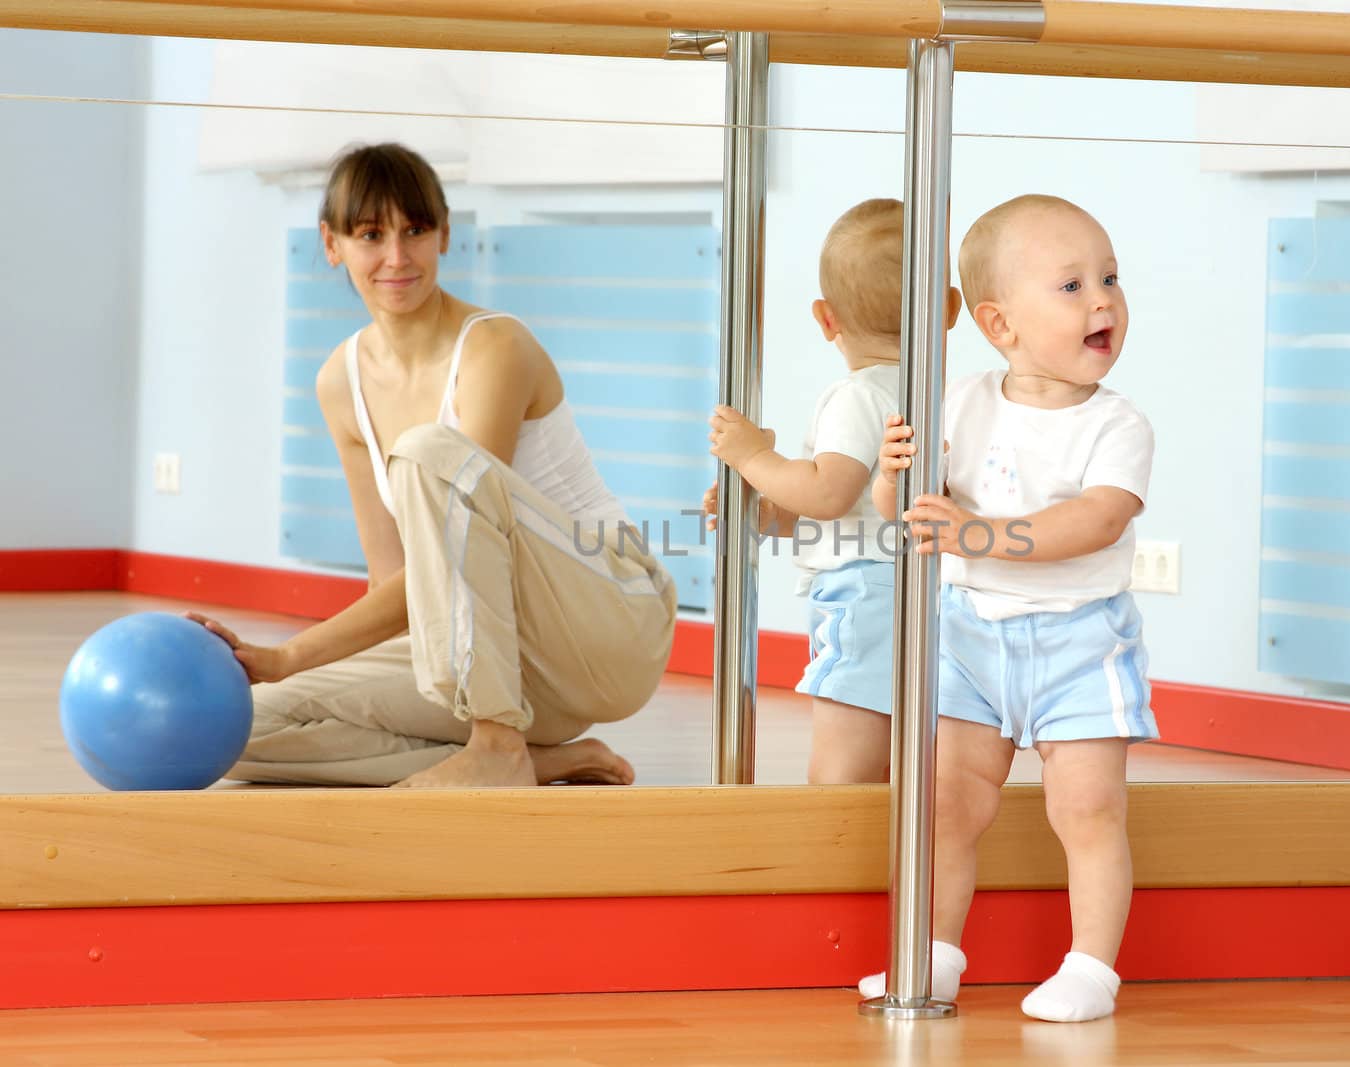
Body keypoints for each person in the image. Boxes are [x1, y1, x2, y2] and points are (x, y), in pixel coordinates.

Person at [188, 142, 676, 788]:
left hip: (611, 619)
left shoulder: (494, 347)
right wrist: (281, 673)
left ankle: (498, 743)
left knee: (427, 453)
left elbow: (455, 534)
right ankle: (537, 759)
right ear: (331, 245)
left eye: (415, 230)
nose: (397, 257)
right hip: (501, 660)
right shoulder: (340, 382)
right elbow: (398, 581)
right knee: (238, 730)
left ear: (445, 234)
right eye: (370, 235)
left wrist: (290, 654)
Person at [860, 194, 1157, 1021]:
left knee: (1088, 806)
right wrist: (891, 477)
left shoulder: (1117, 423)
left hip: (1081, 641)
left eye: (1110, 278)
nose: (1103, 299)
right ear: (999, 324)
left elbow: (1096, 519)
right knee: (949, 802)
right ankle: (936, 955)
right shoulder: (963, 402)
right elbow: (909, 515)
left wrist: (982, 534)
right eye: (1072, 285)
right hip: (972, 638)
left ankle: (1092, 969)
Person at [703, 198, 959, 783]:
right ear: (948, 310)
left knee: (847, 754)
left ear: (825, 318)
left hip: (865, 591)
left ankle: (831, 852)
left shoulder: (859, 396)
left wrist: (753, 456)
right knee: (902, 748)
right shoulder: (936, 393)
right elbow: (844, 506)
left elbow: (826, 493)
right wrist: (768, 512)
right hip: (917, 583)